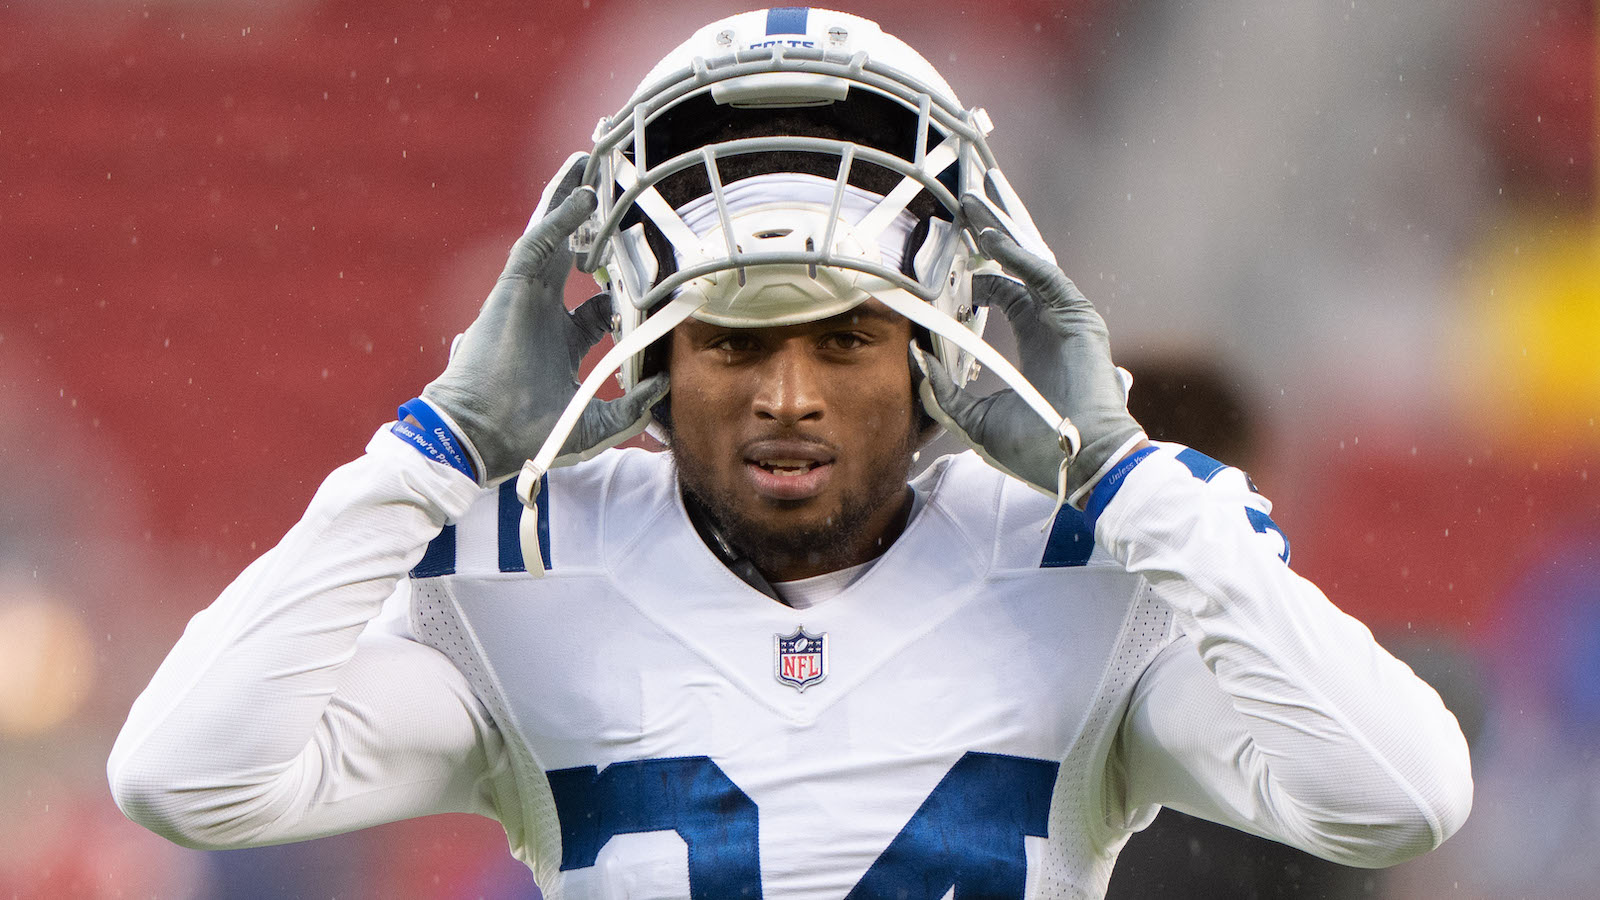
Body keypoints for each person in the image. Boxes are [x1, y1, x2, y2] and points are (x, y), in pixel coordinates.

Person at [107, 8, 1472, 898]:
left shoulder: (1082, 566)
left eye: (845, 342)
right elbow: (185, 777)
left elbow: (1400, 794)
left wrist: (1116, 468)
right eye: (735, 344)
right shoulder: (533, 572)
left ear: (940, 353)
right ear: (645, 362)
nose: (790, 398)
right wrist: (438, 447)